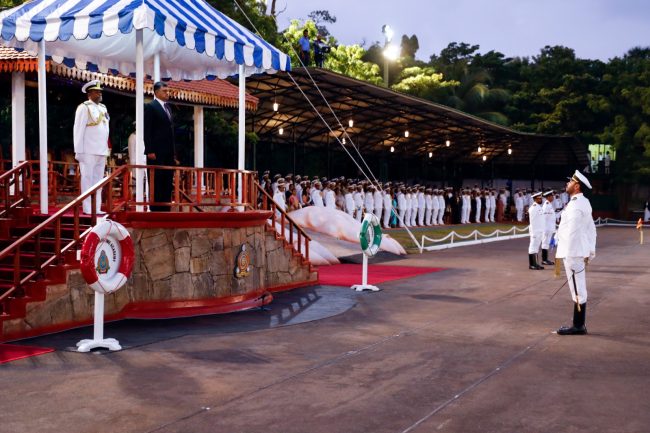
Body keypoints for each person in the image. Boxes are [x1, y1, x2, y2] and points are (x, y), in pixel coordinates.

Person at [555, 170, 597, 335]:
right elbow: (591, 229)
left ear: (577, 186)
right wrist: (590, 250)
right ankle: (579, 324)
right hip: (577, 251)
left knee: (577, 289)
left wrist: (568, 254)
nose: (567, 184)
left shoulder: (576, 205)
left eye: (570, 181)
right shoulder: (583, 202)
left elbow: (572, 232)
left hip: (572, 252)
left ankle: (578, 326)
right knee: (578, 287)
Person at [73, 80, 110, 215]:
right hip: (88, 150)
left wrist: (106, 148)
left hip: (101, 150)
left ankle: (96, 207)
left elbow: (106, 130)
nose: (99, 94)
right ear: (89, 94)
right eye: (96, 92)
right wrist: (78, 151)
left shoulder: (103, 108)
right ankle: (87, 208)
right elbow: (78, 129)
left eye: (100, 92)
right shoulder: (84, 107)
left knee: (98, 181)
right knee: (87, 179)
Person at [144, 81, 177, 212]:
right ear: (157, 92)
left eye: (168, 91)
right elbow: (147, 130)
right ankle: (155, 209)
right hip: (156, 152)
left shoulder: (168, 107)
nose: (167, 93)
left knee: (167, 179)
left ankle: (165, 208)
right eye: (164, 91)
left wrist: (173, 153)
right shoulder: (151, 107)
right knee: (156, 180)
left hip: (168, 152)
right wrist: (150, 150)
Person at [527, 191, 545, 270]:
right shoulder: (533, 208)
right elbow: (533, 221)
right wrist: (533, 232)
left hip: (539, 230)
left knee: (536, 247)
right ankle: (532, 264)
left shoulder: (538, 207)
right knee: (533, 247)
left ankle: (536, 263)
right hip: (535, 231)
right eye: (539, 199)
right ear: (535, 199)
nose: (541, 200)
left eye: (541, 198)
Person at [540, 190, 556, 265]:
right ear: (548, 197)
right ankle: (544, 260)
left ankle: (545, 259)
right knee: (545, 243)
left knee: (546, 243)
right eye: (552, 196)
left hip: (549, 227)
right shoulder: (546, 205)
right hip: (546, 228)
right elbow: (544, 217)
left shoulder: (549, 204)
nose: (553, 197)